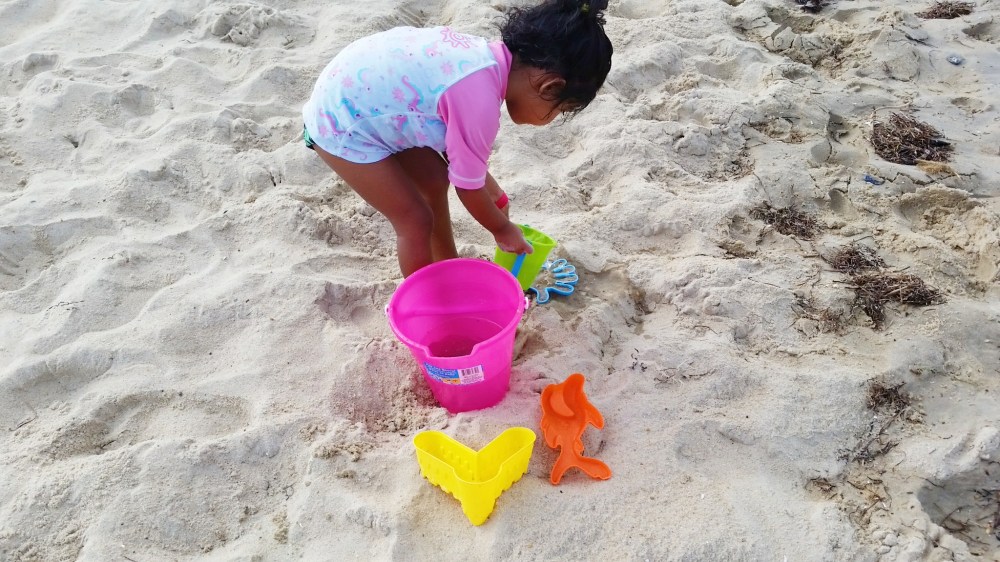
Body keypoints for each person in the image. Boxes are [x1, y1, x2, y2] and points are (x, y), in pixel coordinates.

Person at [302, 0, 613, 276]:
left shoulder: (482, 60)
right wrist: (502, 229)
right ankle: (427, 305)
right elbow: (468, 186)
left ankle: (447, 270)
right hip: (342, 124)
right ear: (549, 87)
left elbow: (459, 154)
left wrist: (492, 191)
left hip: (367, 103)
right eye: (560, 110)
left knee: (435, 181)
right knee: (414, 220)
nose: (552, 119)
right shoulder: (480, 103)